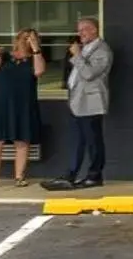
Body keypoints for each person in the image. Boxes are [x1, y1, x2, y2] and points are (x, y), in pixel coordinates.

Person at [44, 17, 112, 190]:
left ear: (95, 30)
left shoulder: (102, 50)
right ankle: (71, 174)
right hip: (78, 102)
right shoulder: (86, 49)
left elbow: (89, 74)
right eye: (79, 30)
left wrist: (77, 55)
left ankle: (94, 176)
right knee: (78, 141)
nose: (80, 33)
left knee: (93, 141)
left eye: (84, 29)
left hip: (91, 102)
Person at [0, 29, 45, 189]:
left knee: (21, 141)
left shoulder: (35, 58)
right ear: (17, 39)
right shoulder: (4, 57)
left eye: (31, 38)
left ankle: (19, 177)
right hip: (0, 105)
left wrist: (36, 49)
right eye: (24, 37)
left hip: (23, 105)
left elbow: (39, 71)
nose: (27, 40)